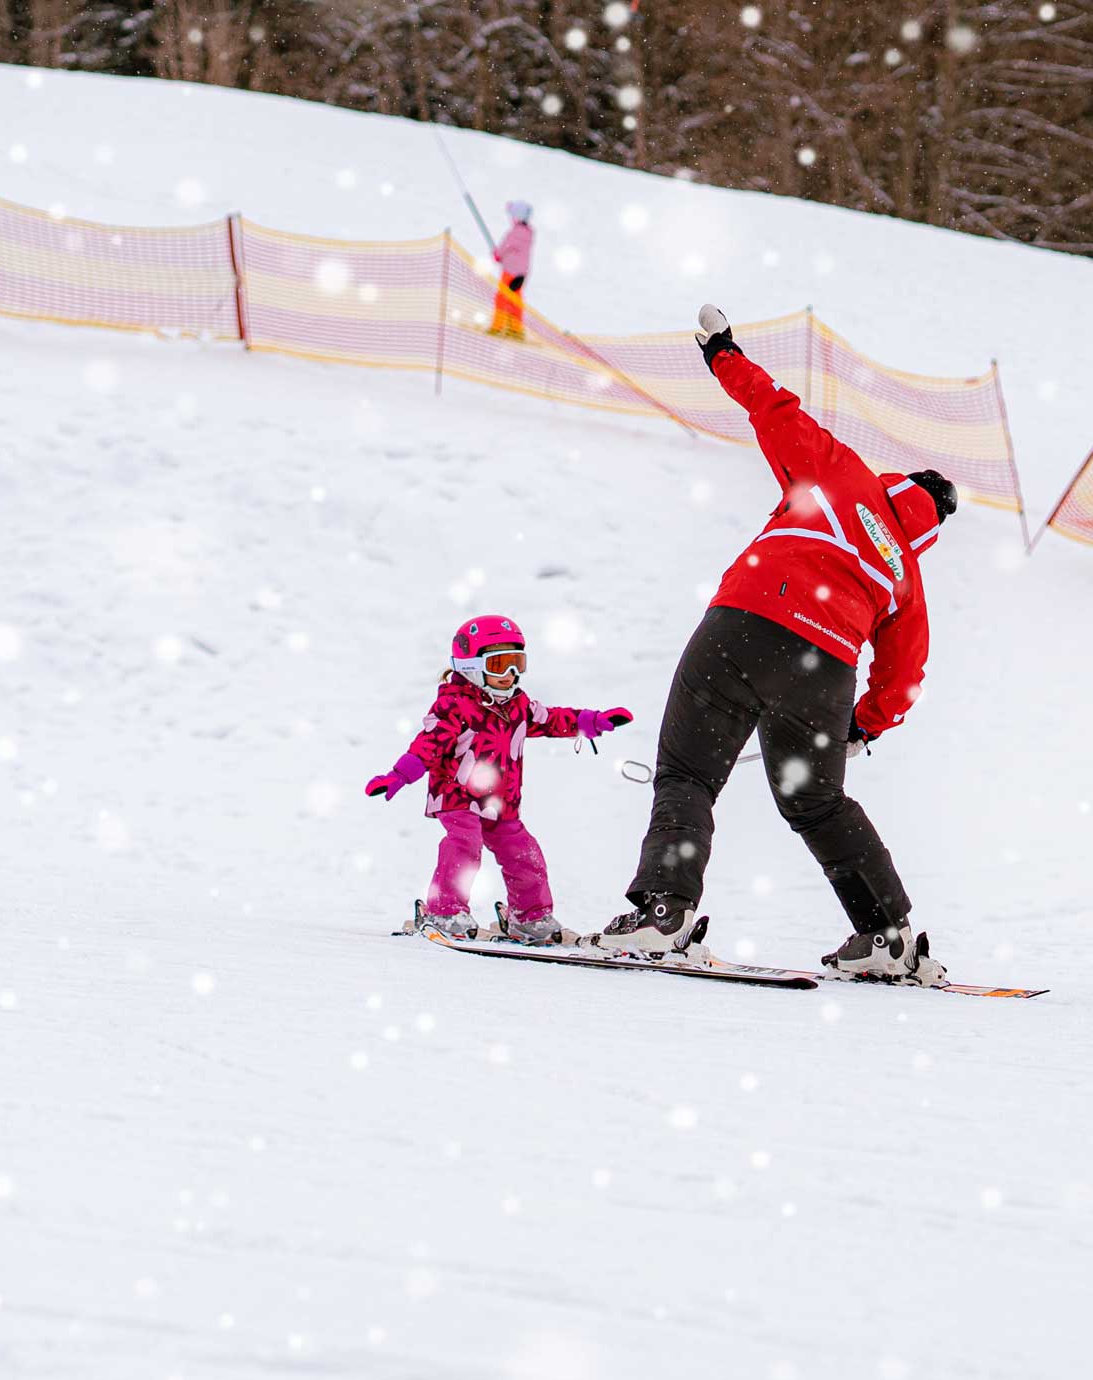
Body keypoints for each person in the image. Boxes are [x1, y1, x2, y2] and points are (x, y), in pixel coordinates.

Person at [596, 304, 960, 983]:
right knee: (818, 803)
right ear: (928, 532)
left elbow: (773, 410)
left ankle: (663, 916)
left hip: (743, 627)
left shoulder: (842, 472)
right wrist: (863, 726)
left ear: (897, 484)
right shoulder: (905, 574)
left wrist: (722, 353)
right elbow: (905, 672)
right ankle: (888, 936)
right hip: (823, 671)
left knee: (689, 775)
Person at [365, 614, 632, 943]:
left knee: (525, 854)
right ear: (472, 666)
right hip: (458, 797)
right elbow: (427, 746)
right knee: (464, 845)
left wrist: (590, 721)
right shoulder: (454, 707)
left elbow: (552, 720)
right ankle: (445, 911)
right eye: (499, 664)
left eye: (517, 662)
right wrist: (397, 777)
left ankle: (530, 917)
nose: (510, 674)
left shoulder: (518, 705)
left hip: (501, 803)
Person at [489, 200, 533, 340]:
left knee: (502, 297)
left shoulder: (515, 233)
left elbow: (505, 247)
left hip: (510, 272)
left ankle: (498, 326)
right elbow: (514, 250)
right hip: (522, 273)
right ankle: (515, 328)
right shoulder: (528, 233)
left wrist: (497, 255)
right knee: (515, 298)